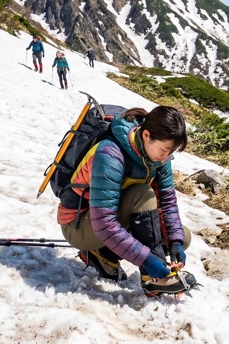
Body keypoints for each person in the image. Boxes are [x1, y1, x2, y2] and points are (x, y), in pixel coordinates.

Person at [58, 105, 193, 295]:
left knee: (182, 236)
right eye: (164, 150)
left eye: (170, 152)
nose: (166, 157)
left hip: (114, 216)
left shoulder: (158, 158)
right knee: (143, 195)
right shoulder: (110, 154)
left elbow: (168, 202)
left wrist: (176, 242)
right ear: (146, 135)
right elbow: (104, 224)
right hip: (79, 224)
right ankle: (153, 279)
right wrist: (148, 260)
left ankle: (102, 254)